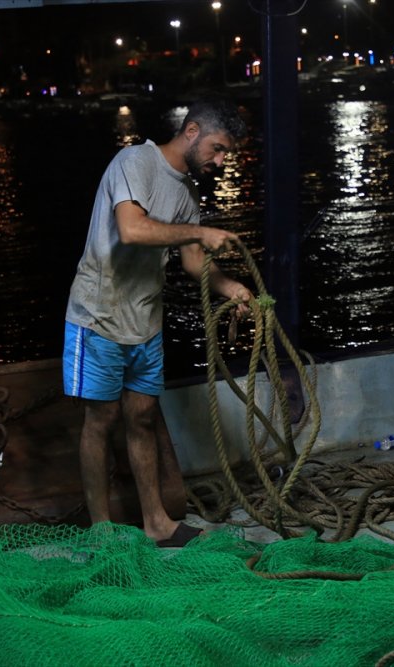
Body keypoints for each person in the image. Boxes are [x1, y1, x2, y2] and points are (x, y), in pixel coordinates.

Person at [63, 99, 252, 547]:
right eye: (218, 148)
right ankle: (103, 530)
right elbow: (132, 229)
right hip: (99, 312)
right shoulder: (135, 161)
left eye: (225, 153)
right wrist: (201, 232)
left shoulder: (186, 193)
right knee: (101, 420)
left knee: (143, 416)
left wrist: (232, 288)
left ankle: (156, 523)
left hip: (145, 319)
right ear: (191, 131)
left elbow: (192, 263)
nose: (220, 161)